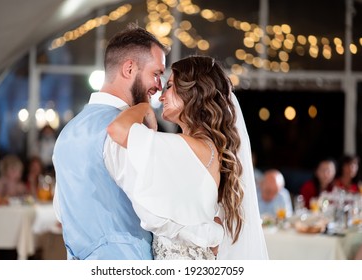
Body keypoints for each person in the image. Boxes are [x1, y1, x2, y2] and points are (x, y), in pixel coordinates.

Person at [107, 55, 268, 260]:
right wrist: (211, 232)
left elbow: (117, 129)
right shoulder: (204, 148)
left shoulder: (189, 146)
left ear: (193, 92)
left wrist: (143, 107)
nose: (162, 96)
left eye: (170, 86)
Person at [52, 23, 169, 260]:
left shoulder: (67, 132)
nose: (159, 86)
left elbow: (61, 212)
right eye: (156, 74)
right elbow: (155, 212)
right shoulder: (128, 131)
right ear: (129, 68)